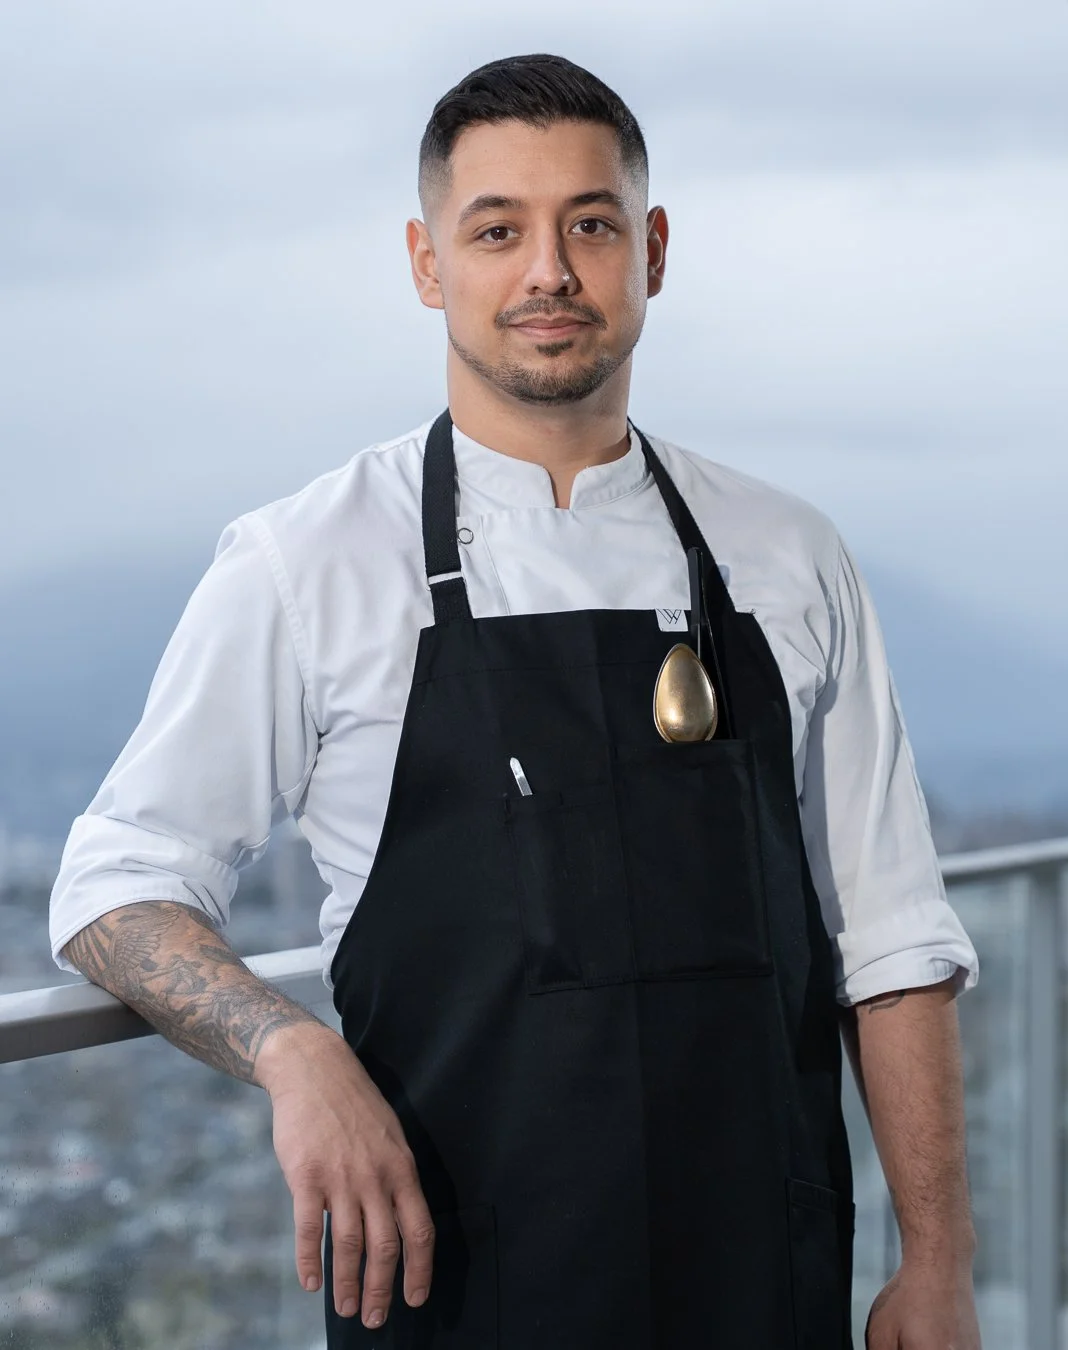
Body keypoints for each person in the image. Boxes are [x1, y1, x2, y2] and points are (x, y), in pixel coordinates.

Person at [49, 53, 982, 1350]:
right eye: (497, 230)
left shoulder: (790, 552)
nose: (548, 270)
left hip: (764, 1281)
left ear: (651, 249)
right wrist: (294, 1051)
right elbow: (113, 883)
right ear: (430, 265)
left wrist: (936, 1261)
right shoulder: (305, 560)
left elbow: (892, 943)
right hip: (458, 1292)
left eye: (589, 224)